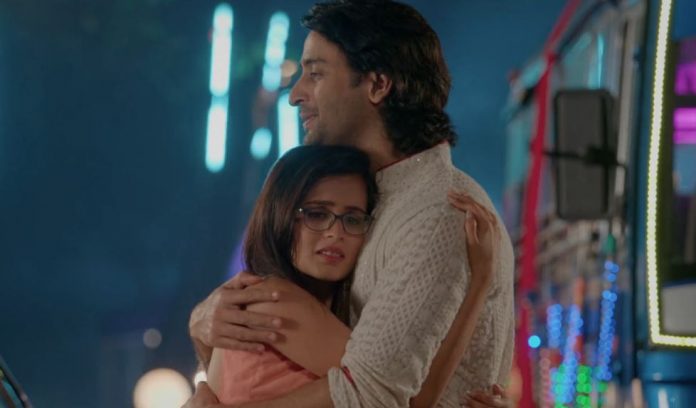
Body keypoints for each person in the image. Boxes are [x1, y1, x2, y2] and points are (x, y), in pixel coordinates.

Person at [187, 1, 515, 407]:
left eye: (316, 73)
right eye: (317, 215)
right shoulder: (382, 199)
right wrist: (202, 326)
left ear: (377, 84)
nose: (295, 96)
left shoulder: (438, 211)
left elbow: (372, 393)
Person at [204, 144, 498, 406]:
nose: (336, 232)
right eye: (317, 214)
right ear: (280, 216)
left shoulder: (304, 306)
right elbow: (406, 401)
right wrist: (480, 281)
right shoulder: (274, 301)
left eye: (353, 219)